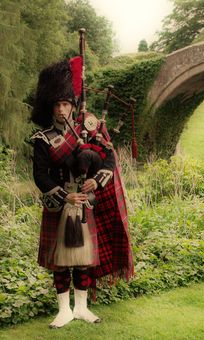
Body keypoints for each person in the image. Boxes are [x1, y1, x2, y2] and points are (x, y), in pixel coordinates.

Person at [31, 58, 133, 328]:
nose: (62, 109)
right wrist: (65, 196)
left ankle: (82, 308)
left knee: (85, 261)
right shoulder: (42, 138)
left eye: (65, 103)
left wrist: (96, 183)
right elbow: (39, 174)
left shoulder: (89, 131)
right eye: (57, 104)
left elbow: (109, 158)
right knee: (62, 262)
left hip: (87, 202)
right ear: (51, 107)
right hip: (60, 203)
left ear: (72, 105)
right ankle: (64, 310)